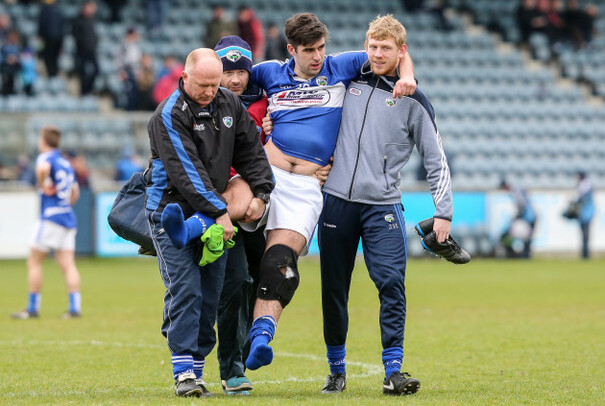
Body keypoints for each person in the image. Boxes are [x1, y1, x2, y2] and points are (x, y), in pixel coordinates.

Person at [244, 12, 416, 374]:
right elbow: (230, 79)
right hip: (266, 172)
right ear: (291, 49)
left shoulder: (339, 66)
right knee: (233, 224)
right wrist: (259, 118)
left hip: (305, 186)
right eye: (308, 50)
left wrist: (408, 76)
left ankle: (261, 335)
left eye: (321, 47)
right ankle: (185, 230)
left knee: (280, 260)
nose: (317, 56)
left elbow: (392, 53)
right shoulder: (268, 72)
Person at [311, 15, 450, 396]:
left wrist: (443, 212)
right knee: (334, 289)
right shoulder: (347, 80)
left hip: (382, 207)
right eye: (372, 46)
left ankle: (393, 370)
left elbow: (436, 159)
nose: (377, 54)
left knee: (391, 283)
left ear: (401, 51)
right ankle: (336, 370)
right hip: (336, 202)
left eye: (385, 48)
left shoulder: (414, 100)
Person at [144, 48, 274, 398]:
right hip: (170, 211)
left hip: (213, 214)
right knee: (186, 288)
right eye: (202, 85)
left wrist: (262, 193)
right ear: (184, 77)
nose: (209, 92)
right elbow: (187, 173)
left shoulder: (229, 103)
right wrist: (219, 211)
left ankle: (196, 371)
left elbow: (252, 153)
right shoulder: (168, 115)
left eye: (215, 84)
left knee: (210, 295)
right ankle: (184, 372)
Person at [12, 125, 82, 320]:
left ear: (43, 141)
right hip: (67, 216)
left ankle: (32, 308)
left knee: (34, 262)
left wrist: (42, 184)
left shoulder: (45, 158)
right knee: (68, 265)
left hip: (50, 217)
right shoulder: (66, 162)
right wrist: (65, 203)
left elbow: (43, 169)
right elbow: (75, 192)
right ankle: (74, 308)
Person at [499, 179, 537, 258]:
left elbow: (522, 205)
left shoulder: (516, 190)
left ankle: (525, 255)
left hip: (528, 217)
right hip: (528, 216)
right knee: (526, 237)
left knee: (526, 237)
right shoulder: (516, 190)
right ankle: (524, 255)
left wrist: (517, 217)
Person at [72, 1, 99, 95]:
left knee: (96, 70)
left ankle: (89, 89)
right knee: (83, 72)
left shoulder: (91, 20)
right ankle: (84, 92)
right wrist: (84, 43)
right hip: (82, 51)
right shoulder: (78, 20)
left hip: (91, 51)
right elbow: (75, 35)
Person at [571, 171, 595, 258]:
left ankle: (585, 254)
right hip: (584, 213)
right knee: (584, 234)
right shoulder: (585, 184)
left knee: (585, 234)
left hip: (586, 214)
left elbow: (580, 197)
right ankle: (585, 253)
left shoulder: (585, 184)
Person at [38, 0, 64, 78]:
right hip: (57, 38)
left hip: (48, 38)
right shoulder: (59, 10)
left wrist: (40, 36)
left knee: (49, 58)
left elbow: (42, 25)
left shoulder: (44, 10)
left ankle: (52, 75)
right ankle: (53, 75)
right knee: (53, 59)